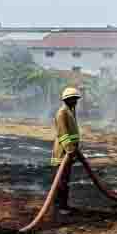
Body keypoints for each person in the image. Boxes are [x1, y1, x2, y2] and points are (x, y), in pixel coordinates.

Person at [51, 87, 82, 215]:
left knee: (65, 181)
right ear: (67, 100)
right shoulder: (62, 113)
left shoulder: (70, 111)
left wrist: (75, 151)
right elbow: (63, 134)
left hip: (69, 153)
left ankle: (64, 205)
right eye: (73, 99)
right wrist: (70, 151)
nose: (76, 101)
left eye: (76, 99)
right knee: (61, 181)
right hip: (62, 154)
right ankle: (59, 207)